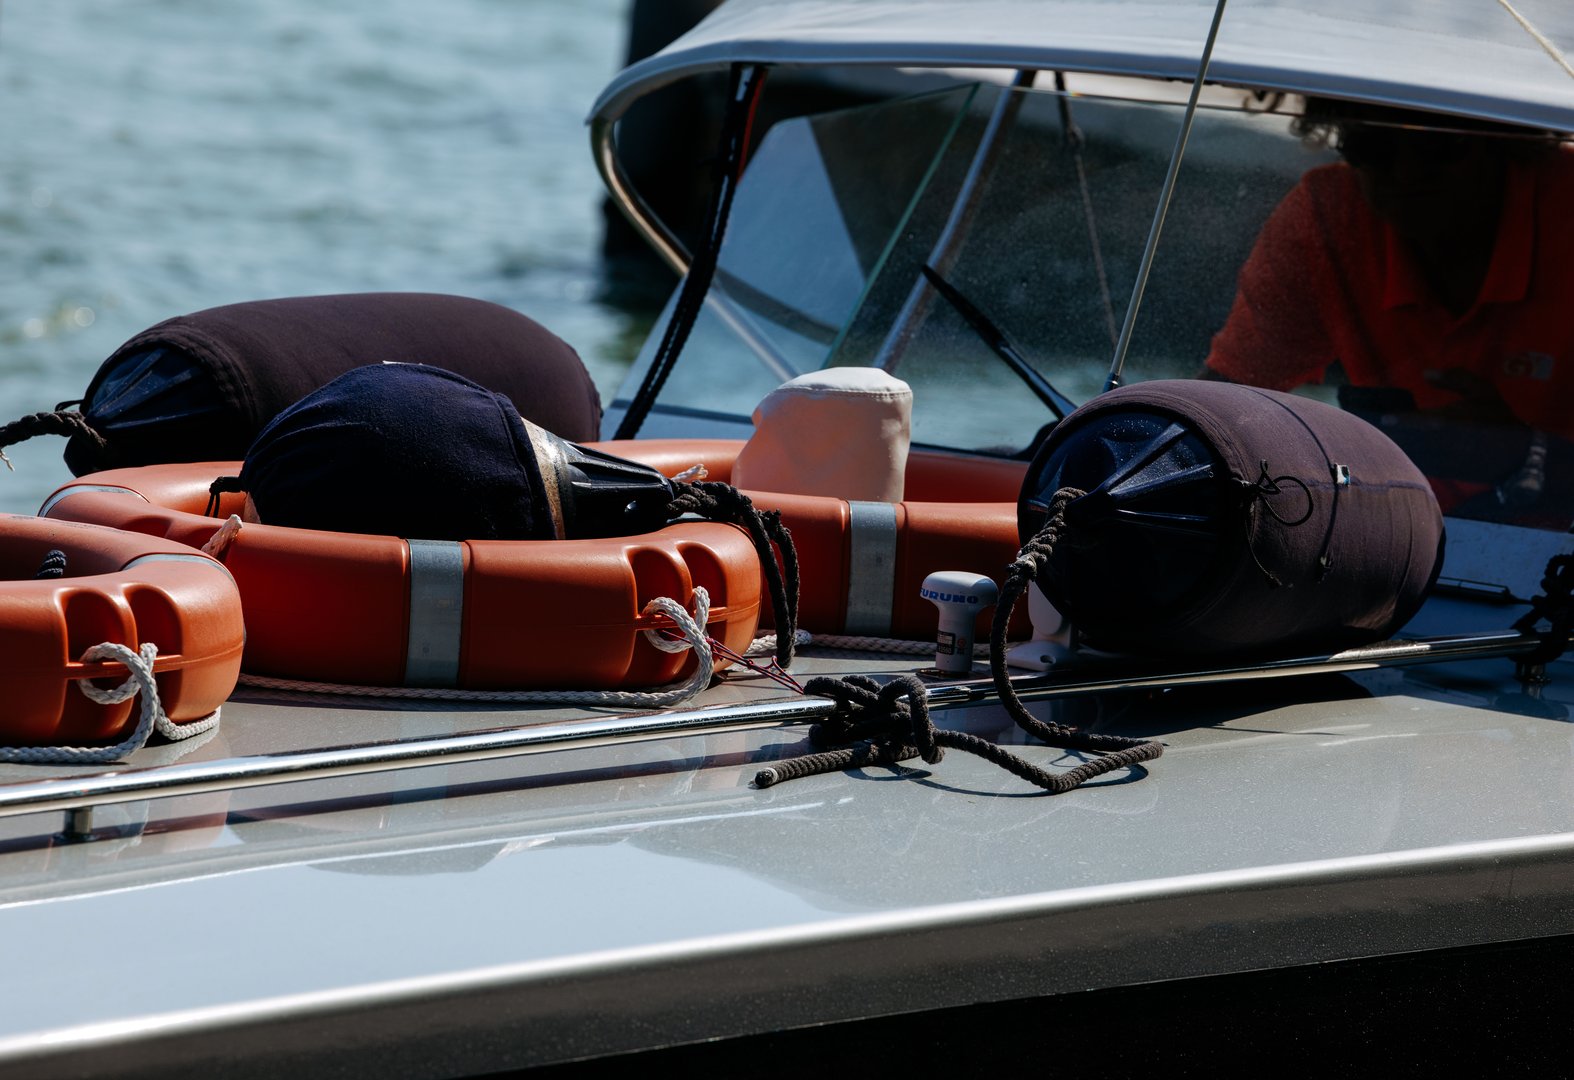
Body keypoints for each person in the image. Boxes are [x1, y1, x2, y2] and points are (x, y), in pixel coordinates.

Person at [1202, 100, 1574, 512]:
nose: (1405, 173)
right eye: (1371, 147)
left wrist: (1526, 455)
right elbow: (1220, 402)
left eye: (1439, 148)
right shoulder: (1328, 217)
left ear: (1507, 140)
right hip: (1401, 535)